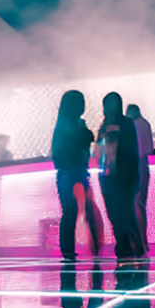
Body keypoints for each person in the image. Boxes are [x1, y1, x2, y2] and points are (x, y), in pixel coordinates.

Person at [51, 91, 101, 260]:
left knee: (73, 212)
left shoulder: (66, 124)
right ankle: (73, 251)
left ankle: (70, 251)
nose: (83, 106)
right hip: (71, 172)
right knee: (74, 212)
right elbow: (85, 138)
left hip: (71, 173)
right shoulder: (70, 125)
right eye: (80, 103)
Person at [97, 92, 143, 259]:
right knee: (116, 213)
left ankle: (128, 246)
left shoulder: (125, 124)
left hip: (123, 177)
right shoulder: (107, 125)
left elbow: (131, 152)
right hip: (109, 176)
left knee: (123, 213)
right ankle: (127, 246)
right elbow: (99, 152)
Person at [125, 104, 153, 255]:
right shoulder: (145, 124)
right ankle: (142, 241)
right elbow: (149, 150)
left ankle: (138, 241)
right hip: (143, 167)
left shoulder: (133, 125)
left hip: (136, 167)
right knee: (140, 205)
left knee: (135, 205)